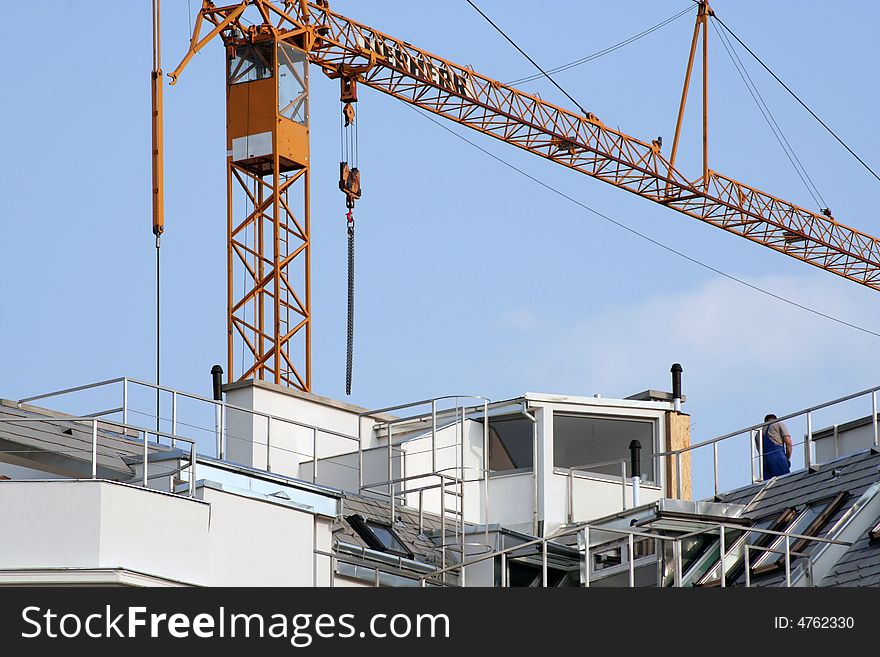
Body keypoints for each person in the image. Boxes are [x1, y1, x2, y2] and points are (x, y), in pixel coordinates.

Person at [756, 414, 792, 480]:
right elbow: (788, 443)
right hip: (778, 457)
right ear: (775, 419)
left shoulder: (758, 433)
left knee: (769, 486)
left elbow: (760, 452)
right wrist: (788, 458)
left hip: (765, 462)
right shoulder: (778, 424)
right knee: (784, 481)